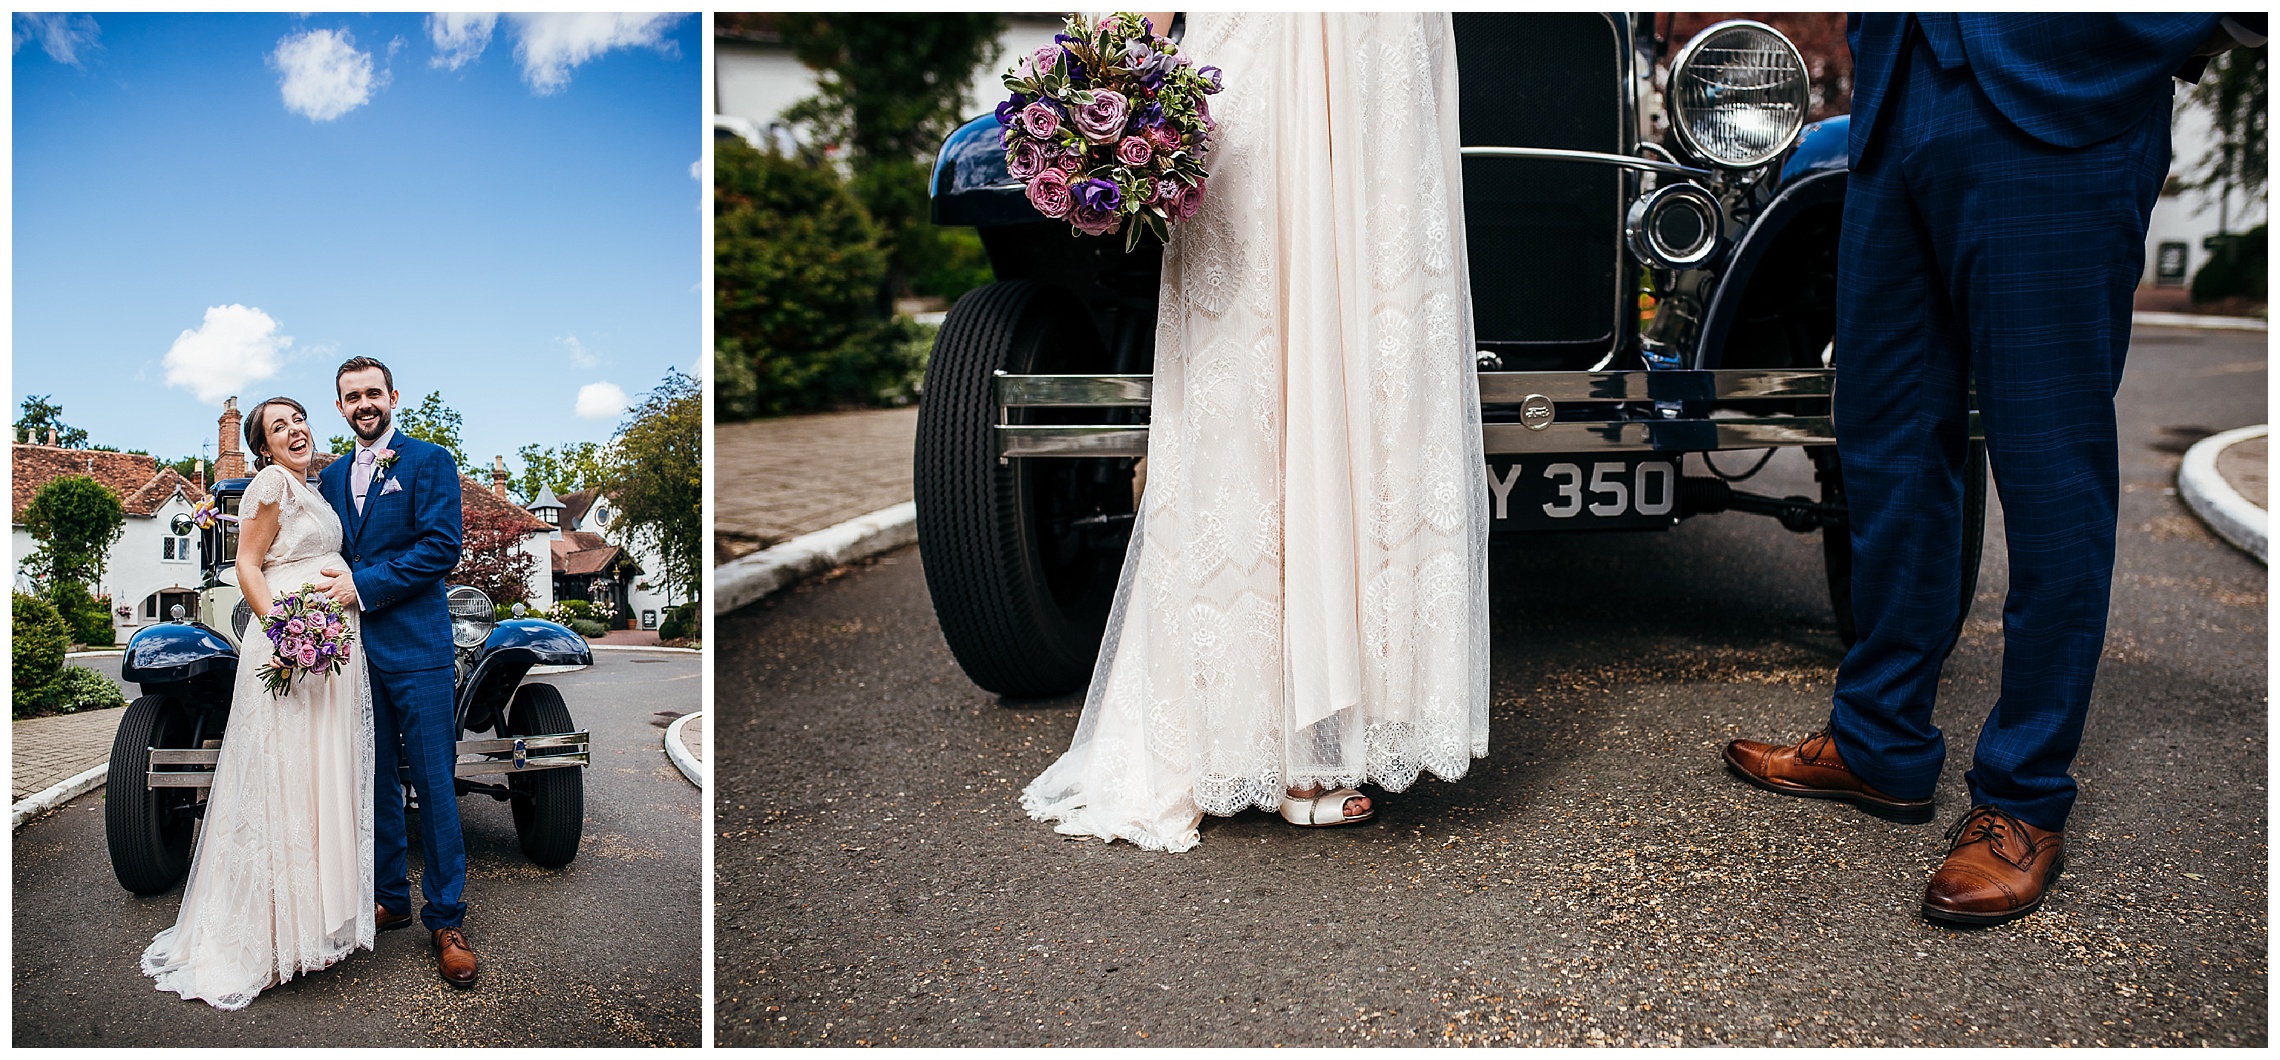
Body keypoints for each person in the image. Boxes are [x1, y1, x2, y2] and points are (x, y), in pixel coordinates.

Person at [1723, 13, 2262, 925]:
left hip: (2058, 89)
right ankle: (1880, 737)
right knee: (1885, 440)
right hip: (1896, 101)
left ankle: (2023, 795)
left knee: (2049, 466)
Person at [1021, 12, 1491, 851]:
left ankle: (1345, 720)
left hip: (1380, 47)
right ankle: (1247, 723)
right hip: (1265, 46)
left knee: (1376, 341)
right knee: (1250, 358)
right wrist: (1116, 55)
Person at [142, 397, 376, 1009]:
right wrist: (287, 631)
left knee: (320, 777)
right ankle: (270, 937)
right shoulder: (271, 484)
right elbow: (248, 565)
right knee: (284, 779)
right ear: (263, 447)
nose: (295, 431)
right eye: (279, 427)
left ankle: (312, 923)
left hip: (331, 645)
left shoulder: (313, 487)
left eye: (298, 421)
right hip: (294, 643)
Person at [314, 356, 476, 984]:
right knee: (374, 780)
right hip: (351, 654)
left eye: (373, 393)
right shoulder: (328, 479)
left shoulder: (428, 462)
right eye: (351, 396)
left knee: (434, 781)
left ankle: (447, 917)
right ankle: (392, 900)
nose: (364, 404)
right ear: (339, 406)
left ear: (392, 396)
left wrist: (362, 587)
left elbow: (440, 547)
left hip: (419, 649)